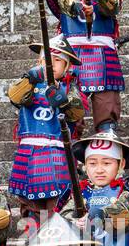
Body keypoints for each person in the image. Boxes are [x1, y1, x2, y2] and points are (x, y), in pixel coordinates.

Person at [45, 0, 125, 132]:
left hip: (102, 49)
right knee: (70, 102)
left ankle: (106, 139)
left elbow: (112, 7)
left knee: (106, 100)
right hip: (72, 50)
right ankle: (71, 147)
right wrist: (80, 7)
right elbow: (64, 0)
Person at [7, 34, 87, 226]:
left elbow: (77, 114)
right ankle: (35, 245)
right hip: (29, 151)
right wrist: (30, 77)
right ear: (39, 61)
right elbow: (15, 96)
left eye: (58, 60)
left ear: (67, 66)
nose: (51, 64)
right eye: (47, 59)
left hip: (56, 151)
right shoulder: (28, 84)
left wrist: (63, 101)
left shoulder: (70, 88)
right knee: (29, 203)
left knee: (56, 200)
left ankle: (55, 239)